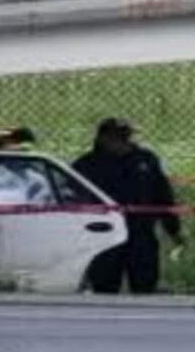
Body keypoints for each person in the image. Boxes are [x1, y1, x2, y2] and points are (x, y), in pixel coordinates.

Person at [73, 118, 184, 294]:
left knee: (145, 285)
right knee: (104, 287)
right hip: (104, 236)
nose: (126, 142)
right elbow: (73, 202)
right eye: (119, 137)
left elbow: (163, 196)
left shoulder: (146, 160)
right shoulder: (86, 166)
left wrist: (174, 229)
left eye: (127, 137)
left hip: (141, 233)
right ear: (103, 139)